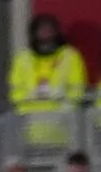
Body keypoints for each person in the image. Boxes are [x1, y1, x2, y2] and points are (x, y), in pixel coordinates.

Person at [10, 14, 89, 149]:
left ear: (56, 32)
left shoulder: (70, 56)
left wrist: (64, 101)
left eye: (49, 30)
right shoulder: (22, 59)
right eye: (41, 30)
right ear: (34, 33)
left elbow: (78, 89)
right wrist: (30, 96)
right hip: (31, 132)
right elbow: (15, 92)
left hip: (63, 131)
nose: (45, 34)